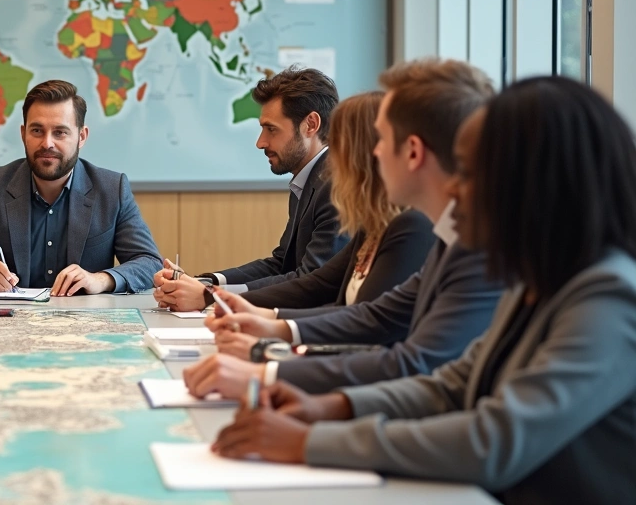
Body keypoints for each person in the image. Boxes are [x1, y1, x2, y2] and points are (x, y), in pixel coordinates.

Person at [211, 77, 636, 505]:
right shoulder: (536, 275)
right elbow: (452, 383)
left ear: (536, 182)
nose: (453, 187)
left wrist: (310, 441)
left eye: (471, 173)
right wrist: (335, 407)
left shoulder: (609, 298)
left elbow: (495, 440)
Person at [184, 58, 501, 396]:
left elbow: (410, 361)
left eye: (380, 140)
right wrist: (272, 326)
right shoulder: (445, 233)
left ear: (413, 152)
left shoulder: (452, 238)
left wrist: (268, 370)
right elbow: (373, 315)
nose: (372, 152)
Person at [155, 92, 435, 316]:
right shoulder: (373, 227)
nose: (333, 159)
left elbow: (363, 320)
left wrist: (214, 297)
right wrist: (213, 291)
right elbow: (315, 281)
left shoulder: (411, 227)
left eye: (341, 147)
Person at [0, 80, 161, 296]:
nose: (47, 143)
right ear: (23, 135)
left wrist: (100, 280)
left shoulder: (111, 189)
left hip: (85, 324)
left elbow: (149, 262)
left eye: (60, 132)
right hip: (11, 325)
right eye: (37, 131)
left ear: (81, 137)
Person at [154, 66, 347, 311]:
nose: (260, 142)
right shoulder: (309, 180)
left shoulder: (335, 186)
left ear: (310, 124)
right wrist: (207, 282)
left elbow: (311, 280)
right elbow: (281, 265)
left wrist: (213, 296)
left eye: (271, 129)